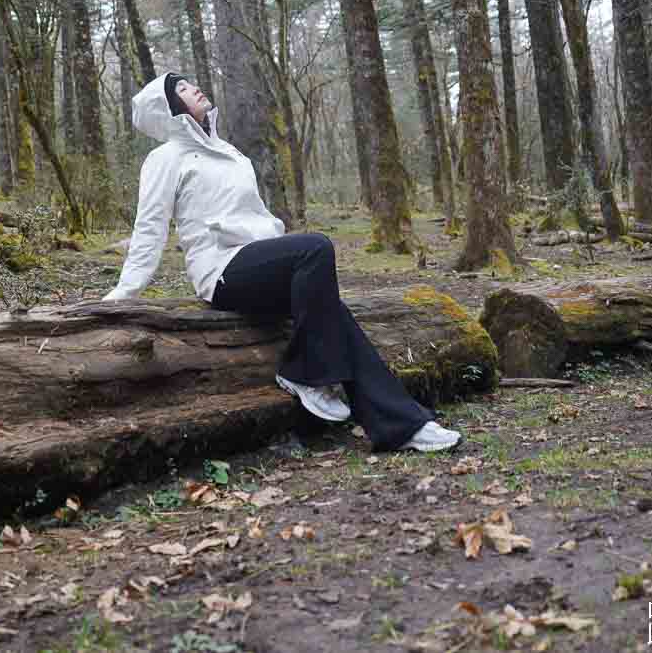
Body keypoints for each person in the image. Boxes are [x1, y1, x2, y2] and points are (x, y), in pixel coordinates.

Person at [102, 73, 462, 452]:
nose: (193, 87)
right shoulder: (164, 158)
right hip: (221, 272)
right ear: (169, 108)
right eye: (180, 88)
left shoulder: (229, 151)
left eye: (190, 82)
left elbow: (253, 215)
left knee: (335, 315)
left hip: (260, 263)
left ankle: (404, 426)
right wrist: (125, 292)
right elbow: (149, 228)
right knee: (315, 247)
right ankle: (303, 373)